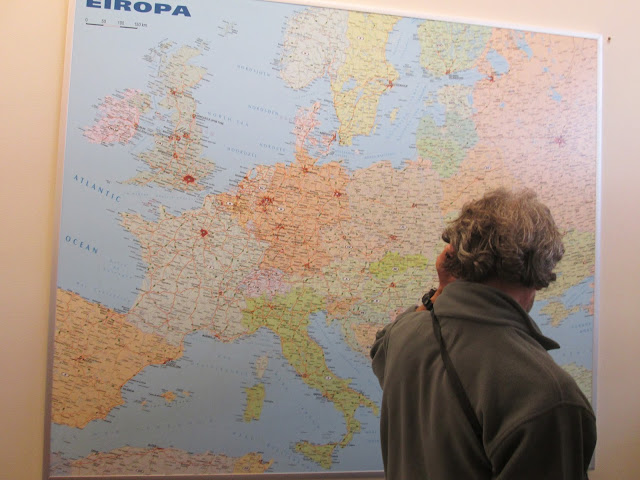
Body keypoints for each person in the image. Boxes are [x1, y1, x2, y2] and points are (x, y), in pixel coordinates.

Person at [370, 188, 596, 479]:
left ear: (456, 256)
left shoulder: (403, 335)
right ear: (541, 269)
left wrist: (442, 290)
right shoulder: (548, 395)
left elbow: (380, 351)